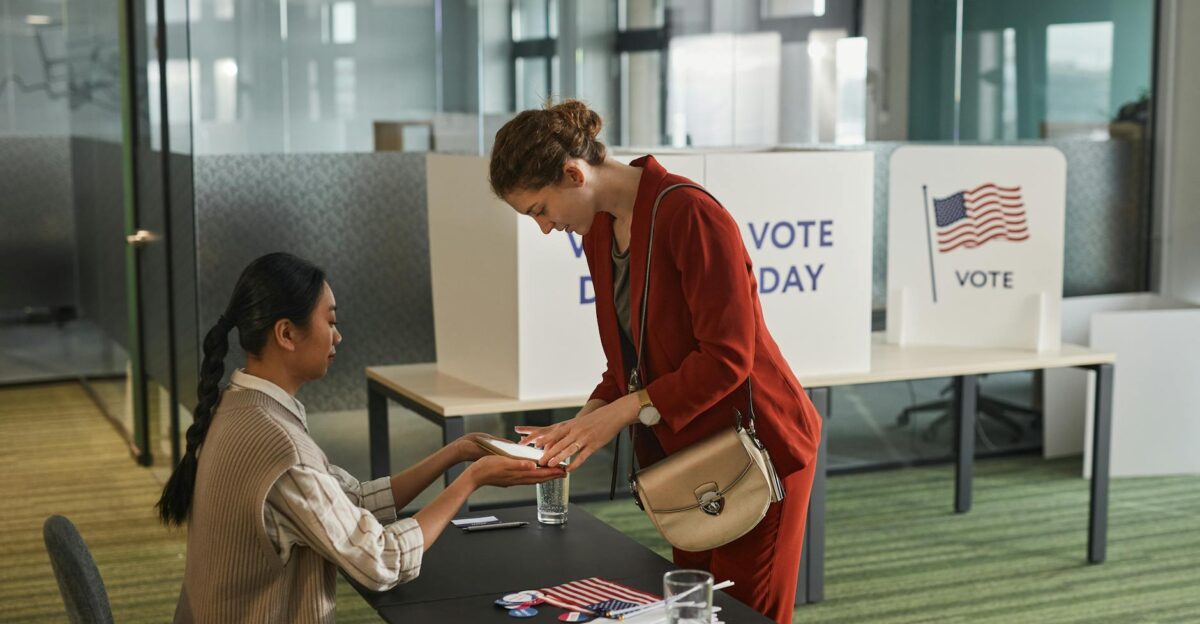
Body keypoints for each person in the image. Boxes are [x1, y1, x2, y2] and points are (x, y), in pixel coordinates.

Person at [488, 101, 823, 624]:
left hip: (760, 449)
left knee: (742, 615)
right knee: (692, 612)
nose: (546, 229)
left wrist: (617, 415)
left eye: (540, 210)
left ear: (575, 175)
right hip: (690, 455)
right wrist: (580, 427)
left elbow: (727, 358)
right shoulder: (601, 232)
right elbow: (629, 367)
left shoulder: (690, 213)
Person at [157, 252, 562, 623]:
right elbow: (380, 561)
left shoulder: (239, 408)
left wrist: (457, 453)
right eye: (330, 322)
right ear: (286, 334)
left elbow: (350, 502)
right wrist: (472, 480)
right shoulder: (279, 448)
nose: (338, 337)